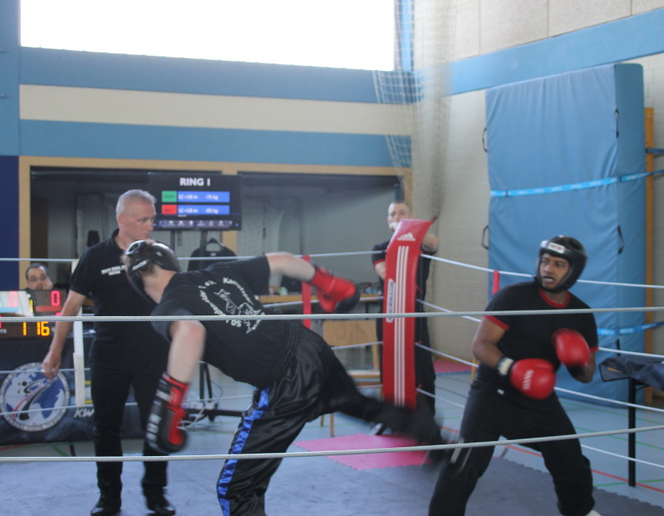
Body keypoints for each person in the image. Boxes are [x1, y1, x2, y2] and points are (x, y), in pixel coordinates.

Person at [123, 239, 445, 516]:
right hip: (308, 346)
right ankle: (433, 435)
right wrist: (330, 283)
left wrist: (170, 403)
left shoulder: (167, 307)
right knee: (355, 404)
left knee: (236, 487)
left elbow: (191, 333)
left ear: (137, 282)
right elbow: (282, 260)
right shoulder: (215, 272)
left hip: (286, 381)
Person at [428, 236, 600, 516]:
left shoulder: (580, 314)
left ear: (573, 270)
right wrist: (512, 368)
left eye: (558, 264)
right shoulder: (514, 297)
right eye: (545, 261)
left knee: (571, 460)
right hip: (493, 392)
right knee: (465, 461)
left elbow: (587, 375)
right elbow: (481, 345)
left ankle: (580, 512)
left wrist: (577, 361)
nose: (548, 269)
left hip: (539, 398)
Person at [41, 190, 175, 516]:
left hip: (153, 354)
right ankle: (109, 497)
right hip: (109, 355)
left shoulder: (160, 254)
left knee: (156, 425)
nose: (150, 225)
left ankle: (156, 494)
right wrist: (54, 350)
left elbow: (177, 301)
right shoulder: (96, 257)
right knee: (106, 428)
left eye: (152, 218)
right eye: (143, 219)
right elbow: (70, 307)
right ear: (122, 219)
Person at [372, 200, 439, 413]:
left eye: (402, 213)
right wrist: (398, 237)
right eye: (393, 214)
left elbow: (433, 243)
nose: (397, 217)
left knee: (423, 369)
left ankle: (427, 417)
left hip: (415, 315)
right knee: (389, 366)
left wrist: (409, 230)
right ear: (388, 220)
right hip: (389, 315)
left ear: (410, 217)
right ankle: (394, 417)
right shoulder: (380, 249)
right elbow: (388, 274)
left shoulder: (421, 246)